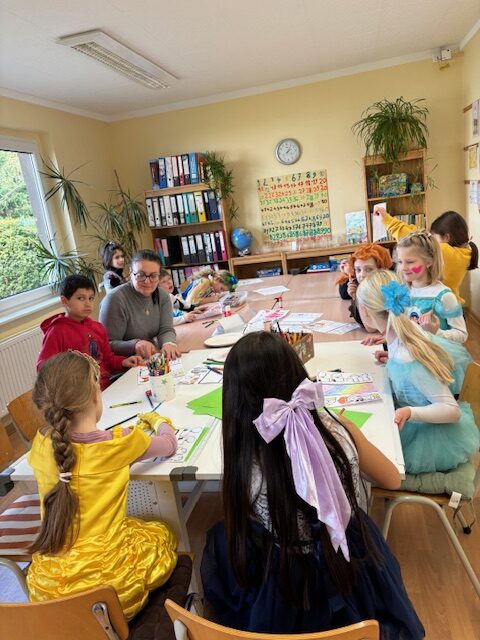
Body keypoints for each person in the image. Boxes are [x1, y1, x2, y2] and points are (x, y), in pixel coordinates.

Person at [201, 331, 425, 637]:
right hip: (349, 561)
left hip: (286, 580)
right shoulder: (339, 431)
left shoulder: (245, 463)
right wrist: (351, 432)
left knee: (223, 539)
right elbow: (391, 478)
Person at [27, 351, 178, 619]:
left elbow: (78, 452)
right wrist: (159, 421)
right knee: (163, 533)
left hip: (50, 592)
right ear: (96, 395)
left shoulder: (41, 446)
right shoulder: (119, 444)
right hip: (114, 588)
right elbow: (169, 445)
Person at [356, 270, 478, 475]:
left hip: (429, 434)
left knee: (368, 460)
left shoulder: (408, 355)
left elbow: (451, 410)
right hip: (413, 414)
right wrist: (392, 361)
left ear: (365, 311)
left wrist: (411, 412)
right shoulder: (400, 334)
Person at [36, 275, 142, 389]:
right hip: (78, 394)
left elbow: (108, 359)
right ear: (65, 301)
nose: (87, 303)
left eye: (91, 298)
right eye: (81, 298)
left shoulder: (98, 328)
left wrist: (123, 362)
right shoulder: (56, 332)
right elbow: (44, 368)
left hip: (105, 387)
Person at [374, 208, 478, 304]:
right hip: (453, 303)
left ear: (446, 237)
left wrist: (386, 219)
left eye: (434, 238)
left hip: (438, 306)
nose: (431, 241)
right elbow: (418, 234)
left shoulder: (444, 251)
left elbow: (412, 239)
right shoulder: (466, 252)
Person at [99, 249, 181, 360]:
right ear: (131, 272)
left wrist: (168, 343)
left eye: (153, 276)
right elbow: (106, 344)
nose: (147, 281)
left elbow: (166, 329)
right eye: (141, 275)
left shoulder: (163, 296)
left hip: (149, 358)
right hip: (122, 363)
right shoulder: (114, 300)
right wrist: (134, 345)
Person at [396, 230, 468, 343]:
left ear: (429, 262)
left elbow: (462, 334)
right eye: (400, 262)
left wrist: (435, 332)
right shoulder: (404, 292)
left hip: (436, 353)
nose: (403, 268)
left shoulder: (444, 296)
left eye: (410, 262)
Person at [335, 243, 393, 330]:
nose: (361, 275)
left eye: (369, 269)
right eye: (358, 270)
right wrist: (356, 298)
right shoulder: (365, 289)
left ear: (382, 270)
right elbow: (365, 323)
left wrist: (359, 300)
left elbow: (371, 328)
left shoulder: (387, 291)